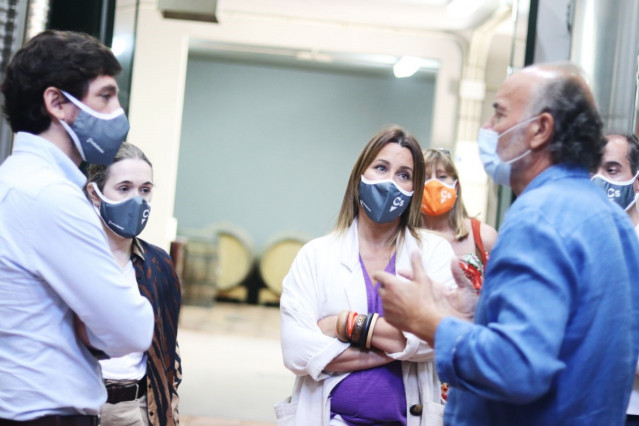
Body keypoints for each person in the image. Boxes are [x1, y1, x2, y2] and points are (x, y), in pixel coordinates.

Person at [376, 63, 639, 425]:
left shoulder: (538, 216)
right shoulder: (611, 221)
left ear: (539, 130)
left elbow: (517, 369)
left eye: (499, 113)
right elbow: (569, 342)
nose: (488, 128)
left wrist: (428, 320)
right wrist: (476, 315)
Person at [0, 31, 154, 424]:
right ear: (56, 103)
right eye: (105, 96)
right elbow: (131, 331)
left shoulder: (15, 179)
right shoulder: (52, 197)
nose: (118, 111)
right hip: (44, 414)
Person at [276, 126, 476, 426]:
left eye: (404, 175)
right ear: (360, 176)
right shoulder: (316, 255)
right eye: (381, 168)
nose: (390, 183)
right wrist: (398, 345)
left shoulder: (433, 252)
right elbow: (297, 353)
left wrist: (345, 325)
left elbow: (436, 340)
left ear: (413, 190)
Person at [85, 143, 182, 426]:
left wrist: (169, 414)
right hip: (77, 407)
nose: (136, 199)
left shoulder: (158, 265)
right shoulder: (72, 260)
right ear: (95, 193)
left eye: (145, 190)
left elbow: (168, 352)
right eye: (124, 188)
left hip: (135, 409)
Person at [592, 133, 639, 425]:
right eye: (592, 169)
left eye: (611, 170)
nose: (598, 180)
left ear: (636, 181)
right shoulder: (582, 239)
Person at [420, 148, 497, 292]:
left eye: (442, 176)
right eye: (425, 178)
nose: (434, 184)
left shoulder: (484, 237)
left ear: (456, 186)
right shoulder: (401, 237)